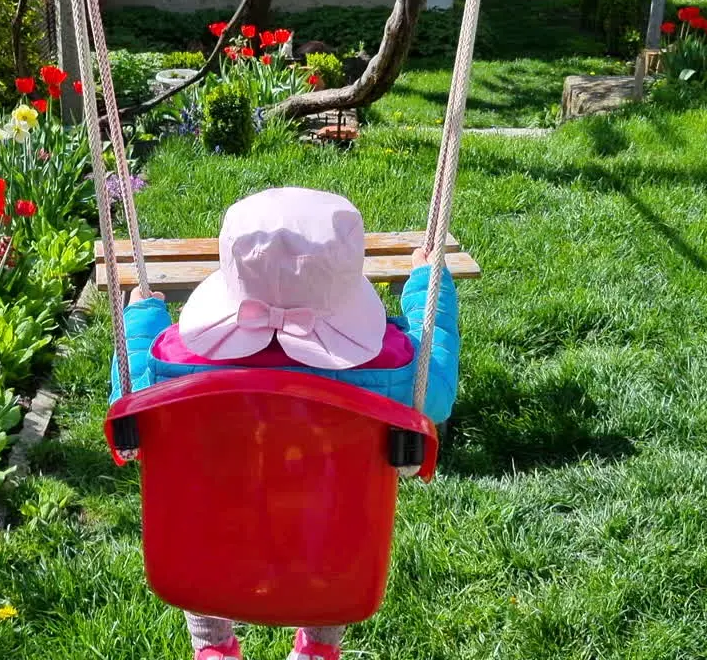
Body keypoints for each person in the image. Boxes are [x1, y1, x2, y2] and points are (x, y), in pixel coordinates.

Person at [111, 187, 460, 660]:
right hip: (325, 546)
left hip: (212, 537)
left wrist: (140, 315)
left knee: (202, 516)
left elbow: (128, 392)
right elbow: (433, 388)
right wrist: (426, 287)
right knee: (340, 524)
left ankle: (212, 647)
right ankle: (318, 646)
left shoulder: (174, 361)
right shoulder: (390, 369)